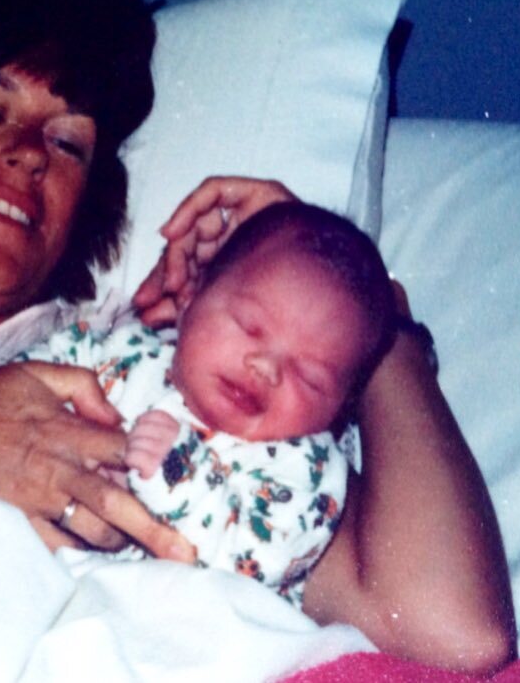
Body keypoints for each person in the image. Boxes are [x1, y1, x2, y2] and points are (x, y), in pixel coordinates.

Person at [0, 0, 515, 674]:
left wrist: (352, 312)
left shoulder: (144, 382)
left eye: (68, 143)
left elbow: (453, 632)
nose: (29, 155)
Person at [23, 200, 396, 606]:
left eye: (309, 378)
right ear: (191, 300)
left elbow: (251, 564)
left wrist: (177, 472)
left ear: (339, 412)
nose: (266, 368)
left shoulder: (305, 471)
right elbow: (16, 390)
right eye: (249, 327)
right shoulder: (124, 354)